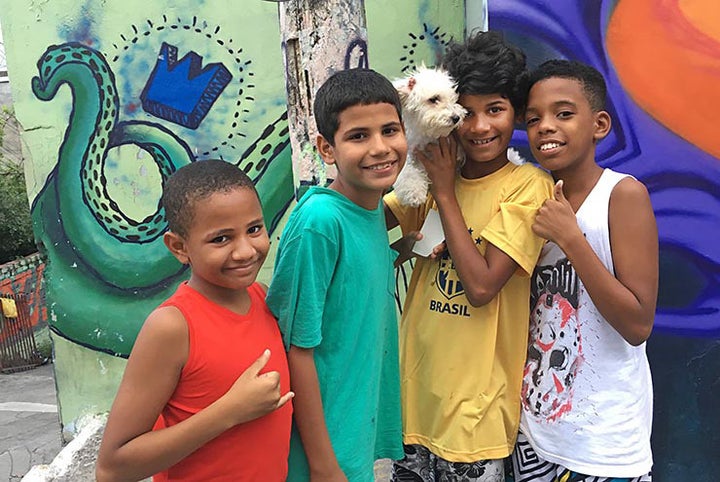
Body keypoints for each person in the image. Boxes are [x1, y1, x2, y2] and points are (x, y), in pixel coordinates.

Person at [385, 31, 554, 481]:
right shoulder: (435, 170)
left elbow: (481, 287)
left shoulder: (527, 186)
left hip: (475, 416)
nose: (478, 127)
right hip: (415, 401)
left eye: (495, 110)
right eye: (469, 112)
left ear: (515, 113)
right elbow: (369, 218)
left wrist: (443, 190)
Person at [95, 159, 294, 482]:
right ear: (179, 247)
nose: (245, 251)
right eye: (221, 239)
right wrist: (229, 411)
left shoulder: (262, 299)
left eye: (254, 229)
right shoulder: (173, 327)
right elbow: (112, 468)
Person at [511, 60, 656, 481]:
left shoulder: (622, 194)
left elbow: (637, 323)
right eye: (534, 118)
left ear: (600, 124)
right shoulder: (529, 197)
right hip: (534, 436)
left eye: (563, 114)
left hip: (604, 442)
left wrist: (571, 239)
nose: (545, 127)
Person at [266, 68, 406, 481]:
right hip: (322, 448)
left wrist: (404, 250)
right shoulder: (319, 222)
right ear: (327, 149)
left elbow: (349, 289)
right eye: (358, 136)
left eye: (390, 130)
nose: (380, 148)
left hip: (353, 428)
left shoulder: (373, 207)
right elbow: (296, 348)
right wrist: (324, 464)